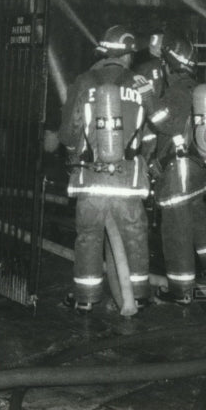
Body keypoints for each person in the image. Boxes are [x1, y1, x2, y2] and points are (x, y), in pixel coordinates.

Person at [58, 25, 157, 314]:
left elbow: (68, 133)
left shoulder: (84, 81)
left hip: (90, 179)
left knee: (88, 237)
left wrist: (75, 153)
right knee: (135, 236)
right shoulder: (141, 83)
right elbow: (150, 135)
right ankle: (139, 296)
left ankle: (85, 299)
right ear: (127, 55)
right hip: (129, 179)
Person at [137, 34, 206, 306]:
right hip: (197, 168)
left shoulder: (175, 91)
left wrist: (147, 95)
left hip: (179, 171)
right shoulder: (193, 87)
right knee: (198, 215)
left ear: (169, 64)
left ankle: (181, 290)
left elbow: (166, 122)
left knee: (175, 229)